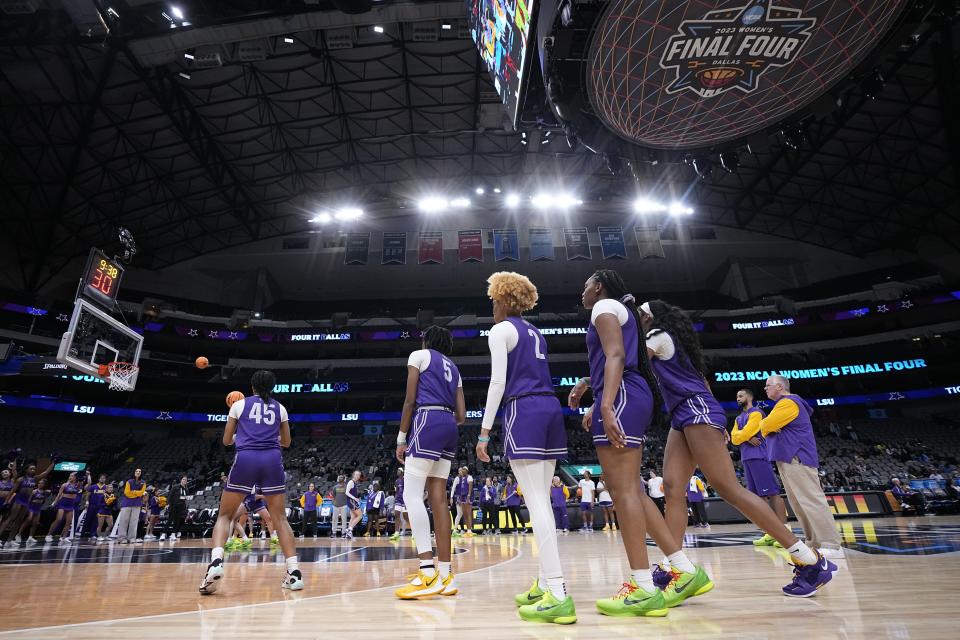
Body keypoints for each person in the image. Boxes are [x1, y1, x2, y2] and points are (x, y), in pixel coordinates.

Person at [638, 300, 835, 597]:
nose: (637, 321)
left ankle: (809, 559)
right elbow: (698, 381)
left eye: (639, 316)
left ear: (649, 316)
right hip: (684, 414)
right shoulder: (675, 344)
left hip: (696, 412)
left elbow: (632, 362)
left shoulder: (658, 335)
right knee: (672, 487)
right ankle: (674, 566)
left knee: (728, 488)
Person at [568, 271, 707, 616]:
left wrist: (604, 403)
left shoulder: (604, 308)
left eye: (586, 284)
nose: (582, 290)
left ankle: (643, 587)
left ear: (598, 286)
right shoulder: (619, 309)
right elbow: (617, 359)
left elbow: (615, 357)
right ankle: (683, 568)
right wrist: (594, 393)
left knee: (624, 491)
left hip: (622, 395)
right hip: (628, 393)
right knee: (632, 490)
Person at [476, 272, 575, 625]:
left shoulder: (501, 330)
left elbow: (498, 381)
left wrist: (484, 431)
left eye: (493, 300)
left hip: (525, 409)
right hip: (550, 409)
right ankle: (547, 580)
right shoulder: (535, 331)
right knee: (541, 499)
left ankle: (558, 593)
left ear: (503, 299)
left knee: (536, 502)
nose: (492, 306)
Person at [199, 370, 302, 594]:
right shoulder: (280, 408)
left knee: (225, 515)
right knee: (280, 518)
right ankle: (294, 573)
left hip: (246, 458)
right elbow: (286, 442)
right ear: (272, 387)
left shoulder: (239, 405)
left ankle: (216, 562)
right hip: (272, 460)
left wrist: (242, 436)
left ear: (252, 386)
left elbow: (226, 441)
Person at [394, 325, 466, 599]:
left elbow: (410, 400)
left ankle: (426, 572)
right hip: (449, 425)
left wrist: (402, 437)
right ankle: (446, 576)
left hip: (427, 420)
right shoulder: (454, 368)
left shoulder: (419, 356)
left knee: (412, 495)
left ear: (427, 340)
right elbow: (462, 414)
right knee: (439, 501)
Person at [761, 375, 843, 560]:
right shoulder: (783, 404)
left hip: (797, 457)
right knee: (799, 503)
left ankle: (831, 544)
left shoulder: (788, 402)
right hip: (787, 458)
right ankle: (813, 541)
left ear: (780, 387)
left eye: (768, 385)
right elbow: (768, 426)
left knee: (811, 500)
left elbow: (766, 425)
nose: (765, 389)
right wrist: (769, 426)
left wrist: (768, 425)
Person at [731, 389, 789, 546]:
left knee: (773, 493)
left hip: (759, 456)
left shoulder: (756, 412)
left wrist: (744, 436)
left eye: (741, 395)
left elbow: (742, 434)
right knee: (758, 498)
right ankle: (770, 533)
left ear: (750, 397)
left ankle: (785, 530)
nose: (738, 398)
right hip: (747, 458)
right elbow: (734, 439)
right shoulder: (738, 417)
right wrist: (747, 437)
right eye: (737, 396)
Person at [0, 459, 54, 546]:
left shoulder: (35, 479)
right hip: (18, 500)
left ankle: (9, 541)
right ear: (26, 470)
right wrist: (6, 502)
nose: (33, 470)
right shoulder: (20, 479)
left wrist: (53, 462)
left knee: (19, 521)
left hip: (26, 502)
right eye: (31, 469)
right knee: (10, 519)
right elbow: (12, 491)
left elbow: (46, 472)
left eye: (34, 469)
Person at [46, 472, 82, 543]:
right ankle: (49, 535)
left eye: (72, 476)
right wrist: (54, 503)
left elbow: (85, 482)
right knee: (59, 519)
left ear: (75, 477)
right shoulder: (65, 485)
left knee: (68, 522)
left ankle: (64, 537)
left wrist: (84, 475)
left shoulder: (77, 485)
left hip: (71, 505)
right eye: (70, 476)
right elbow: (59, 495)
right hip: (63, 503)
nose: (70, 477)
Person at [116, 468, 146, 544]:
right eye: (136, 471)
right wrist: (137, 494)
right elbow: (127, 493)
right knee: (124, 521)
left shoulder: (143, 482)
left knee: (134, 522)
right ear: (134, 472)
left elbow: (142, 492)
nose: (138, 472)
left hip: (137, 504)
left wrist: (134, 492)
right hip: (127, 503)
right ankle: (122, 538)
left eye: (140, 471)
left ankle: (132, 538)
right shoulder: (129, 481)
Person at [15, 478, 49, 545]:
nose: (40, 484)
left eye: (42, 483)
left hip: (38, 508)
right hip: (31, 507)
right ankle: (18, 534)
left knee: (35, 523)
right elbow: (29, 500)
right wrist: (27, 508)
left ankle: (30, 537)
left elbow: (43, 501)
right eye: (39, 483)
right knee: (29, 519)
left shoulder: (45, 492)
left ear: (44, 485)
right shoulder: (34, 491)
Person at [82, 473, 108, 540]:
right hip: (92, 505)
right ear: (99, 479)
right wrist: (87, 502)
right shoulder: (93, 486)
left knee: (96, 521)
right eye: (101, 478)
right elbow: (88, 495)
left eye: (104, 478)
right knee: (87, 519)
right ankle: (82, 533)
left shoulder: (106, 487)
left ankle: (93, 534)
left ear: (105, 479)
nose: (102, 479)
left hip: (100, 507)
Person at [450, 467, 474, 538]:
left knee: (462, 514)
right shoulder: (457, 478)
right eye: (460, 471)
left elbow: (469, 487)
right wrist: (451, 497)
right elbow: (453, 488)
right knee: (459, 514)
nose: (461, 472)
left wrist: (468, 496)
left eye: (462, 470)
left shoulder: (467, 478)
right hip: (459, 498)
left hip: (465, 497)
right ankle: (455, 530)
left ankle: (464, 530)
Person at [166, 476, 189, 541]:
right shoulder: (175, 487)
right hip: (174, 506)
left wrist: (185, 499)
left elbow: (184, 498)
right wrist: (168, 504)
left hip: (182, 507)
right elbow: (170, 496)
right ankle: (163, 533)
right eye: (183, 479)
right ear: (181, 480)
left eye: (186, 480)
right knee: (170, 520)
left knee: (178, 521)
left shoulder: (186, 489)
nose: (184, 480)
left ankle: (174, 534)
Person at [390, 468, 408, 540]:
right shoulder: (396, 481)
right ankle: (396, 533)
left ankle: (414, 533)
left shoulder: (405, 480)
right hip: (398, 500)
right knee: (396, 516)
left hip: (405, 500)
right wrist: (395, 500)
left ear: (402, 472)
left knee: (406, 517)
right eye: (397, 470)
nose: (397, 472)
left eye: (399, 471)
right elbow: (396, 491)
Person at [345, 470, 363, 540]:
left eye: (359, 475)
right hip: (351, 501)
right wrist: (355, 498)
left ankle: (348, 534)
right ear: (353, 475)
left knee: (353, 516)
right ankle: (350, 529)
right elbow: (346, 492)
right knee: (360, 515)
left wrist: (356, 497)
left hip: (351, 501)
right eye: (357, 475)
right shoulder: (351, 482)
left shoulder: (354, 483)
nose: (358, 476)